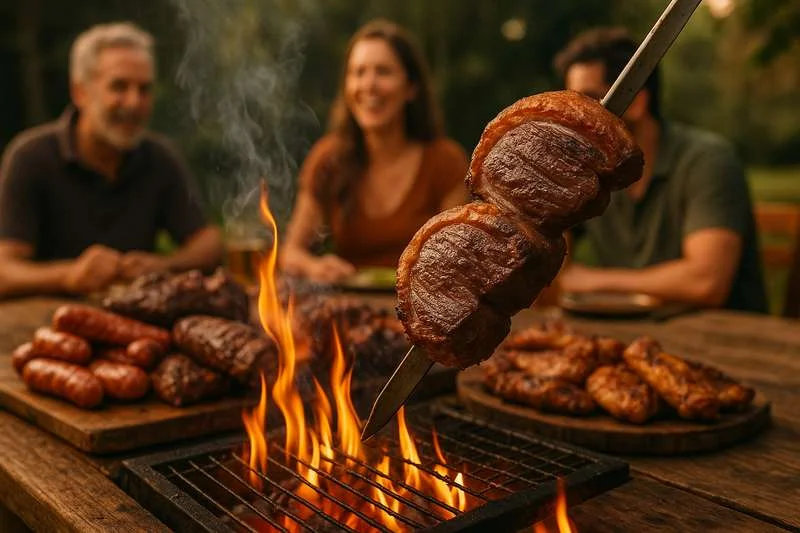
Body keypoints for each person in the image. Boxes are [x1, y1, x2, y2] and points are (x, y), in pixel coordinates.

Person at [551, 27, 768, 313]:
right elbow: (551, 269)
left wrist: (592, 279)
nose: (572, 116)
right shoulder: (589, 172)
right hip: (633, 335)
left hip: (726, 340)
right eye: (570, 102)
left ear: (637, 101)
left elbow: (706, 282)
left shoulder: (706, 160)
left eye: (588, 100)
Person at [0, 22, 222, 299]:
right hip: (43, 327)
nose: (133, 102)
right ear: (80, 92)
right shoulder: (30, 157)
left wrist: (163, 265)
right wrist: (67, 276)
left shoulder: (159, 157)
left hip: (133, 324)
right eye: (119, 87)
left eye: (144, 89)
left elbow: (208, 242)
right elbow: (4, 270)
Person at [280, 18, 469, 284]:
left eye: (383, 71)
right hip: (349, 313)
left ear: (411, 88)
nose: (368, 85)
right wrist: (314, 267)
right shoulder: (329, 159)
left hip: (424, 315)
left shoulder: (444, 161)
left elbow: (459, 259)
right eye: (358, 72)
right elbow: (290, 253)